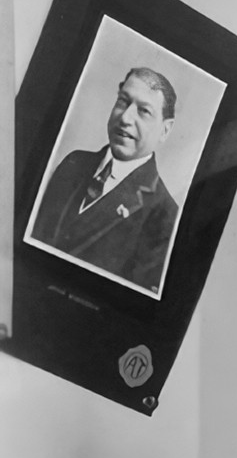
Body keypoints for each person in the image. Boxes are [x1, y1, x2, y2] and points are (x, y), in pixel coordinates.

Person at [30, 68, 182, 293]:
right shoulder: (74, 162)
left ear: (165, 130)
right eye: (123, 102)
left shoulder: (164, 216)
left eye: (144, 111)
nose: (125, 118)